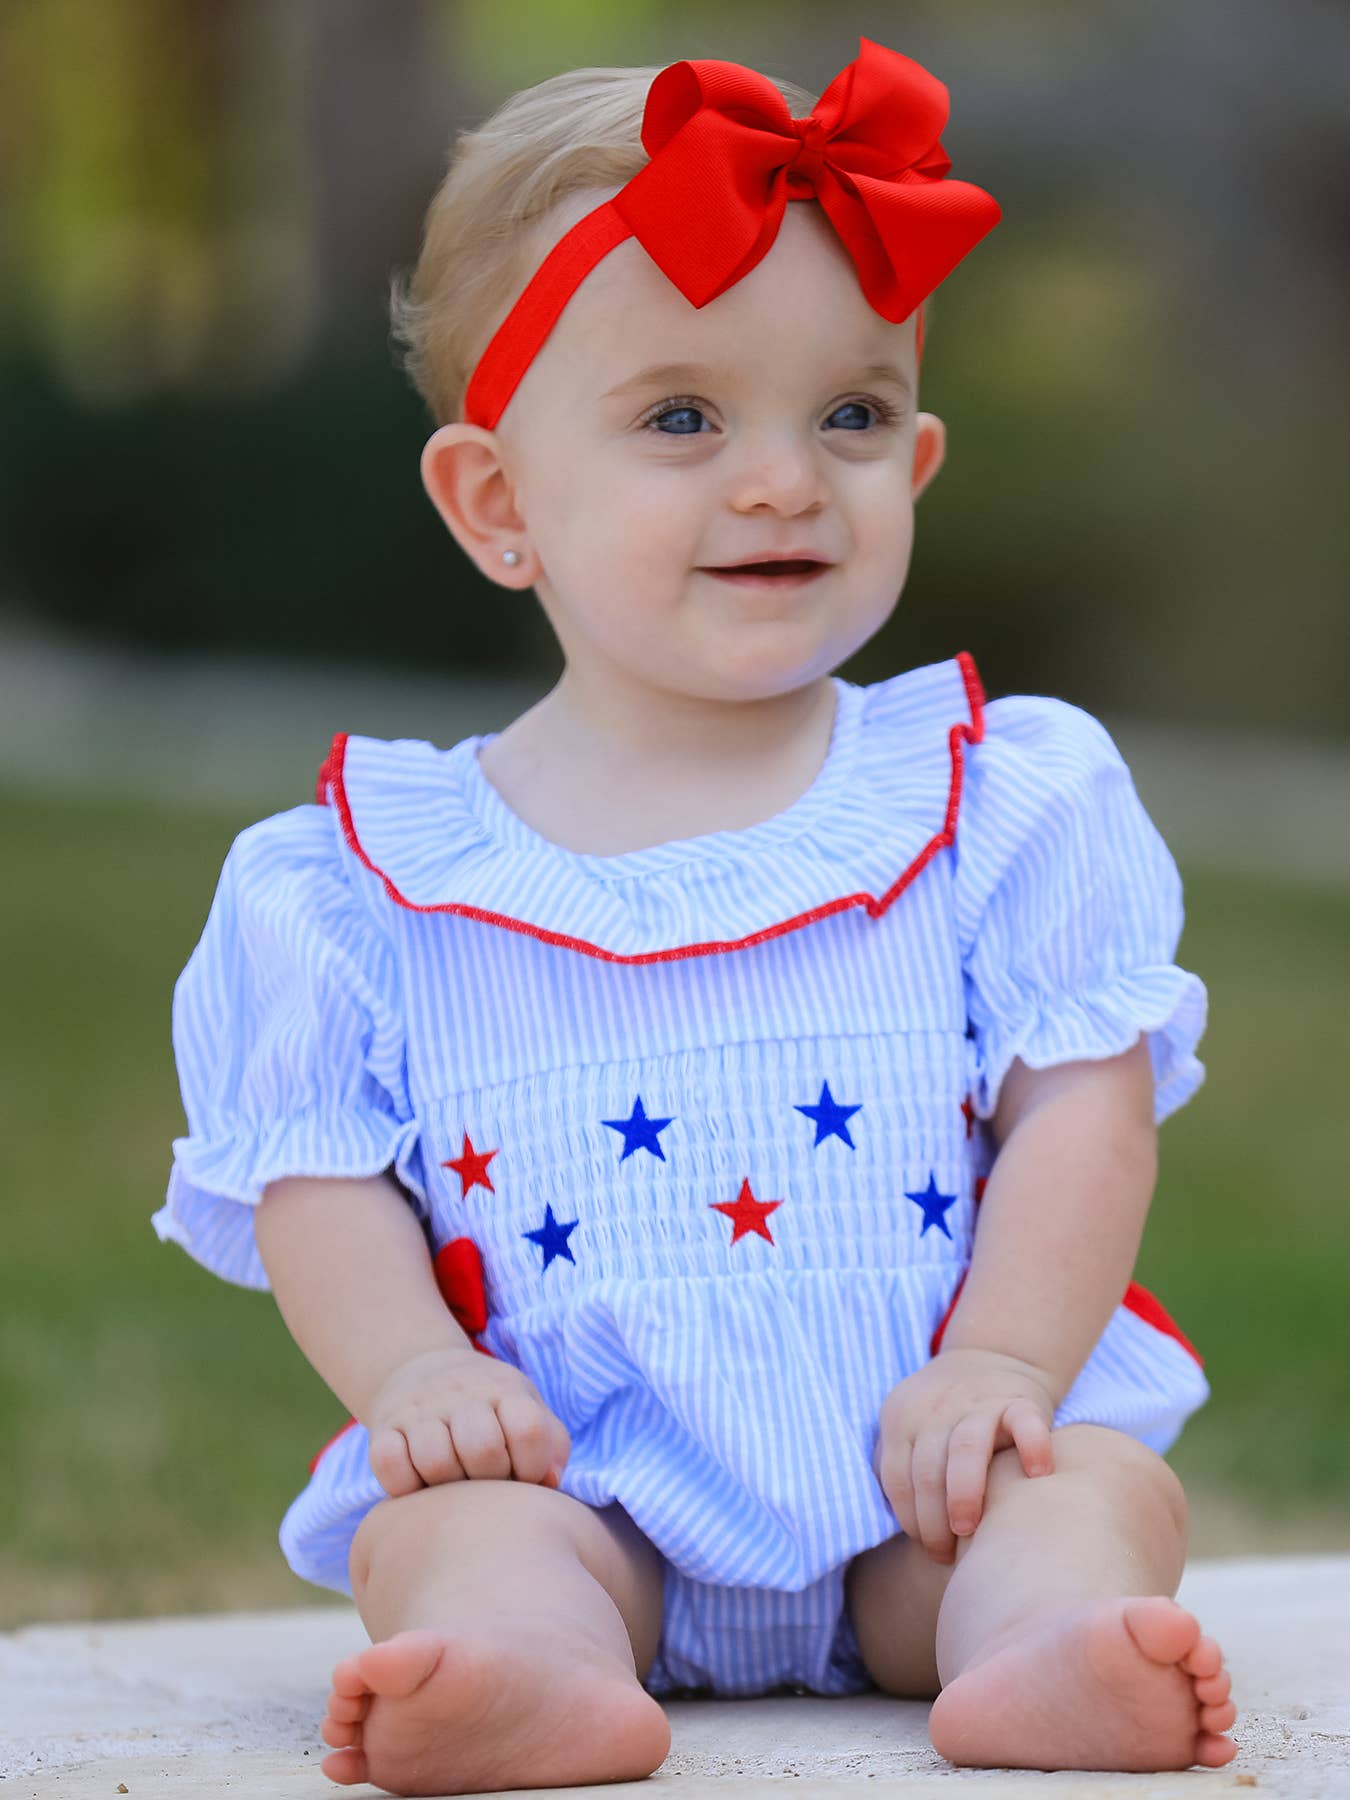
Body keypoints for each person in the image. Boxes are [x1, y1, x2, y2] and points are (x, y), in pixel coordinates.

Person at [154, 37, 1240, 1797]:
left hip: (930, 1464)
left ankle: (1039, 1649)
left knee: (1088, 1498)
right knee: (451, 1537)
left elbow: (1079, 1110)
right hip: (577, 1477)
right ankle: (527, 1668)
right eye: (681, 417)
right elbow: (314, 1177)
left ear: (918, 454)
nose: (780, 478)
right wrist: (418, 1370)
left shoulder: (993, 796)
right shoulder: (359, 879)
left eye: (851, 414)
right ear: (497, 501)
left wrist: (1000, 1364)